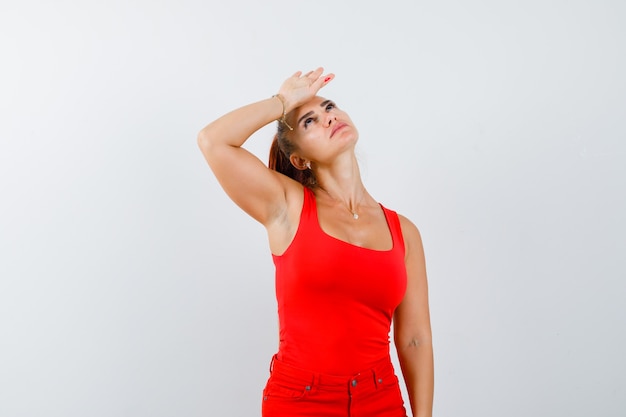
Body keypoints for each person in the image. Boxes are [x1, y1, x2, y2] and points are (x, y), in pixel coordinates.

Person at [197, 67, 433, 417]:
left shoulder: (404, 231)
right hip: (302, 401)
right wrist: (281, 103)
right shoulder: (287, 206)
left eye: (329, 107)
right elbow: (212, 141)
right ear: (299, 159)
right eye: (309, 121)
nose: (328, 117)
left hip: (380, 399)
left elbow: (415, 339)